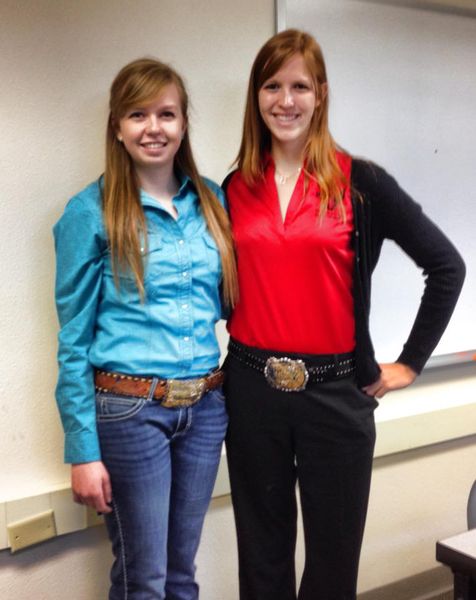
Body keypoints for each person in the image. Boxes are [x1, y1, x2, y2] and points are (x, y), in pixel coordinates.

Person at [223, 29, 465, 600]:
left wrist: (408, 364)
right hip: (252, 391)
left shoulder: (360, 182)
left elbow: (446, 267)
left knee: (332, 569)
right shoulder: (234, 187)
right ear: (256, 96)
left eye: (300, 85)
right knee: (261, 562)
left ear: (321, 94)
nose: (286, 100)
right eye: (272, 85)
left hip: (335, 399)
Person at [53, 58, 237, 600]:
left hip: (205, 410)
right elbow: (72, 340)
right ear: (117, 126)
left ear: (183, 124)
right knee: (145, 580)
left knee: (181, 573)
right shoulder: (90, 212)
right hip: (130, 413)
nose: (153, 128)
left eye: (167, 114)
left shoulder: (212, 200)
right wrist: (82, 450)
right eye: (138, 114)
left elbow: (232, 301)